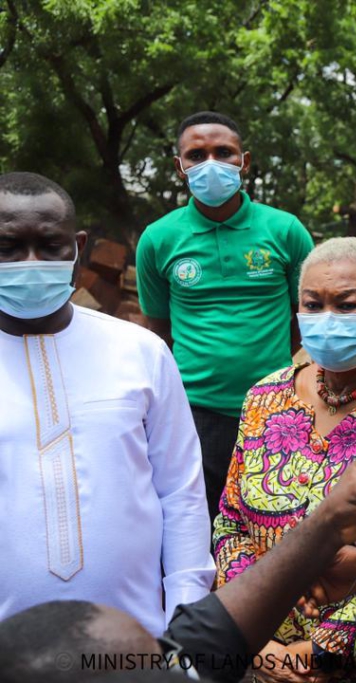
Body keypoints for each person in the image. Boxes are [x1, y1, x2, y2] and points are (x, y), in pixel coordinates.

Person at [0, 437, 356, 683]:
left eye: (164, 653)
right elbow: (230, 523)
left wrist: (327, 526)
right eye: (164, 670)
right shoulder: (265, 398)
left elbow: (200, 640)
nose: (176, 662)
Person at [0, 172, 214, 636]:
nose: (30, 263)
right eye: (8, 248)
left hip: (138, 642)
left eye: (50, 245)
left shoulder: (140, 351)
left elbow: (181, 492)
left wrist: (187, 617)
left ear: (77, 248)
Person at [213, 237, 356, 682]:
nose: (327, 319)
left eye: (347, 304)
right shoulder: (264, 397)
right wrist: (255, 637)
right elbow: (230, 523)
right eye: (312, 306)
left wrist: (327, 649)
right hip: (260, 653)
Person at [136, 111, 315, 524]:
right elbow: (159, 330)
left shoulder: (285, 231)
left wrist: (268, 371)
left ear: (244, 162)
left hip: (275, 407)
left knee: (274, 518)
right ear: (180, 167)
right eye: (196, 155)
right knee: (198, 518)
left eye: (223, 152)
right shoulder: (158, 239)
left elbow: (303, 316)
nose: (210, 163)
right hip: (193, 412)